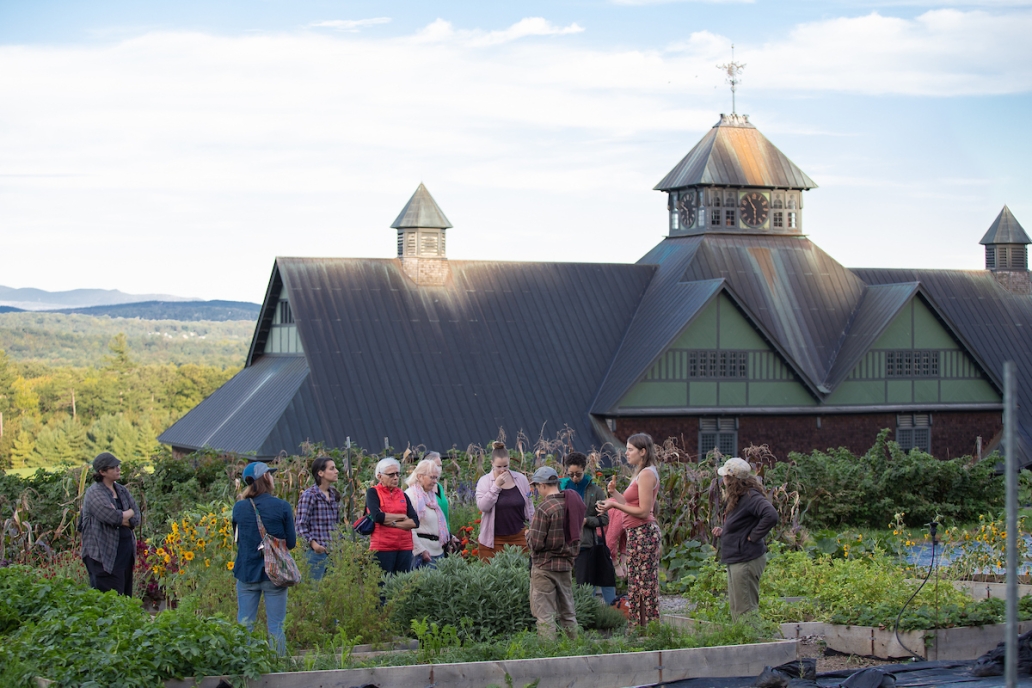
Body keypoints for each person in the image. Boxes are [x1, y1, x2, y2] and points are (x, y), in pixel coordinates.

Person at [596, 433, 661, 628]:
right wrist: (614, 494)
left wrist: (614, 505)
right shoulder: (640, 472)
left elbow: (643, 511)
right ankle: (641, 628)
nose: (626, 453)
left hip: (644, 533)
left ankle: (647, 629)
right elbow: (631, 504)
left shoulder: (648, 474)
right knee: (638, 585)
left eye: (630, 449)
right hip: (636, 533)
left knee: (644, 586)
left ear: (643, 452)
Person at [232, 461, 296, 655]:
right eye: (270, 474)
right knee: (276, 625)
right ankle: (278, 668)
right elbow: (291, 543)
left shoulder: (239, 508)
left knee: (244, 624)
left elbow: (237, 540)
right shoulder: (282, 506)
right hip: (274, 574)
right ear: (266, 477)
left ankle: (243, 665)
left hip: (246, 572)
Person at [711, 457, 779, 621]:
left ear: (732, 479)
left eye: (725, 477)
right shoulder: (740, 497)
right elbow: (743, 523)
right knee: (737, 607)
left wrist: (754, 536)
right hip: (738, 558)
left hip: (746, 560)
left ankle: (753, 644)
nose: (723, 480)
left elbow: (771, 515)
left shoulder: (750, 497)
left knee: (745, 610)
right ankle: (744, 642)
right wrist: (725, 531)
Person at [527, 466, 584, 639]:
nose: (537, 490)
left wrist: (528, 535)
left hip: (544, 568)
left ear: (543, 485)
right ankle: (575, 650)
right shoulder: (571, 504)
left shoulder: (544, 508)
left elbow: (536, 544)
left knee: (545, 616)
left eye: (537, 486)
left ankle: (548, 655)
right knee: (568, 613)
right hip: (565, 566)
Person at [79, 452, 140, 596]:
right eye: (113, 467)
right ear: (102, 472)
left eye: (118, 466)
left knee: (125, 599)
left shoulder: (121, 490)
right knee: (109, 600)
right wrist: (125, 514)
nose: (118, 469)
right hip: (103, 556)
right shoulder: (94, 493)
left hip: (123, 553)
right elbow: (113, 517)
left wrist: (124, 516)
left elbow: (137, 516)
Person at [560, 452, 614, 605]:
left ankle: (587, 614)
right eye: (571, 474)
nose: (575, 478)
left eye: (578, 474)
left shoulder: (595, 491)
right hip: (563, 543)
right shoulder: (561, 488)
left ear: (584, 469)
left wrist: (586, 521)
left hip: (585, 543)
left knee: (584, 583)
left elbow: (604, 519)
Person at [475, 441, 534, 561]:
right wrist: (496, 486)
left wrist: (533, 528)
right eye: (499, 467)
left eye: (505, 466)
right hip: (493, 539)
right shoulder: (485, 481)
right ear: (492, 464)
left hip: (519, 536)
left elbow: (529, 506)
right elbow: (483, 507)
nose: (502, 470)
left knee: (521, 573)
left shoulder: (520, 479)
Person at [365, 457, 419, 575]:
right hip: (382, 547)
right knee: (382, 586)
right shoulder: (373, 493)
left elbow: (415, 522)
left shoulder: (403, 494)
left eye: (397, 474)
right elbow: (377, 517)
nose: (395, 477)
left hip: (405, 546)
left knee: (402, 585)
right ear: (379, 476)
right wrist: (402, 516)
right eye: (391, 475)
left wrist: (392, 522)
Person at [295, 456, 341, 580]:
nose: (336, 471)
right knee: (315, 590)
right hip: (316, 553)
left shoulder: (333, 495)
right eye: (332, 468)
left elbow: (337, 524)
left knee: (333, 592)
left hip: (334, 553)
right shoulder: (310, 496)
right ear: (320, 473)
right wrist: (314, 544)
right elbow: (300, 524)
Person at [405, 459, 451, 569]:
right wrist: (420, 550)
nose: (435, 481)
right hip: (423, 553)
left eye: (436, 478)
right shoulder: (411, 496)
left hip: (437, 550)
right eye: (432, 477)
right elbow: (409, 527)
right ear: (420, 476)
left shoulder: (431, 496)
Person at [426, 451, 451, 531]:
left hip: (445, 533)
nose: (439, 469)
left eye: (440, 466)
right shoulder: (423, 488)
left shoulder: (439, 486)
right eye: (437, 465)